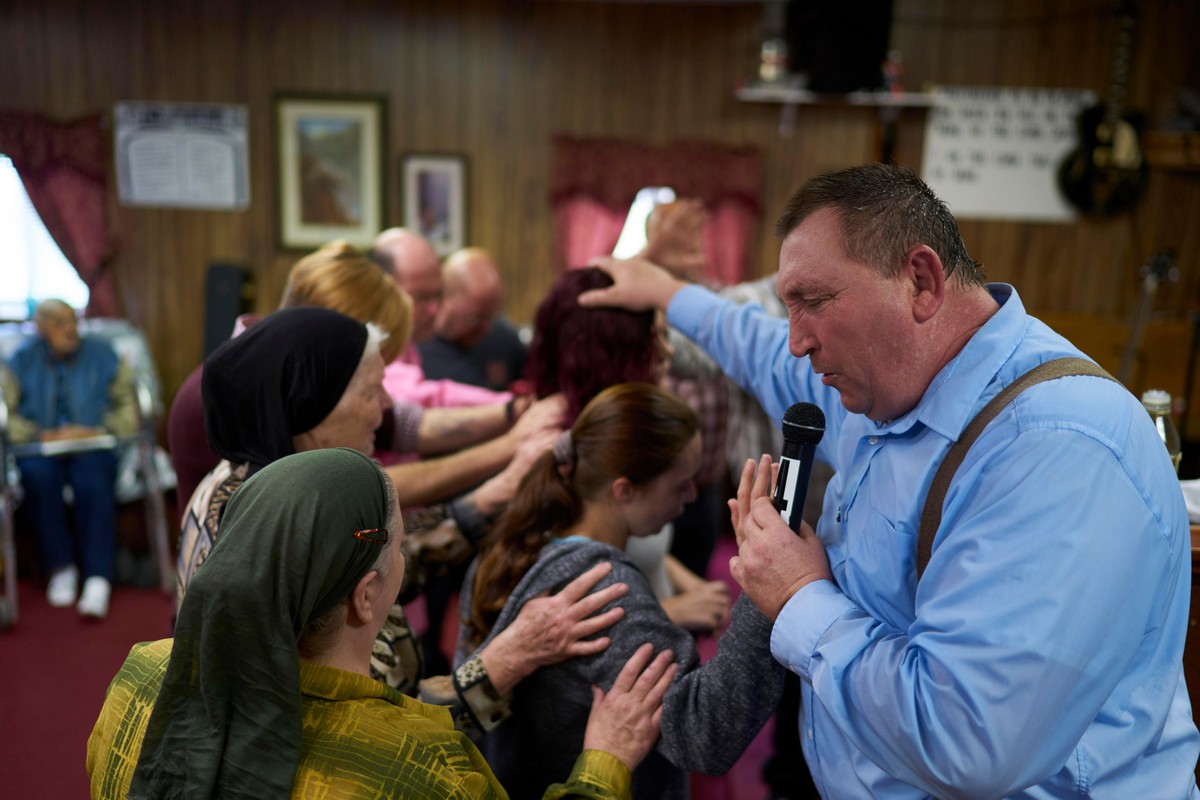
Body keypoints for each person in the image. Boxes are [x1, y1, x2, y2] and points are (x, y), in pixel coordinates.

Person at [581, 163, 1200, 798]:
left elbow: (968, 742)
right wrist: (665, 293)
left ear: (921, 282)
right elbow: (761, 349)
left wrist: (797, 595)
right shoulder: (888, 382)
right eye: (790, 307)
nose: (797, 343)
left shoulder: (1055, 449)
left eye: (814, 302)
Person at [89, 447, 678, 799]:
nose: (405, 558)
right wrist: (605, 761)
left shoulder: (138, 678)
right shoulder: (422, 767)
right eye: (399, 546)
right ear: (366, 596)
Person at [177, 306, 598, 708]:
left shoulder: (245, 482)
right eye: (370, 390)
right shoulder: (273, 544)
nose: (387, 405)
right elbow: (373, 729)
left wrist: (487, 498)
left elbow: (372, 565)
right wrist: (506, 660)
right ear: (310, 407)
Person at [459, 383, 784, 800]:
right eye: (680, 484)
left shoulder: (511, 542)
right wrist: (765, 588)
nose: (689, 498)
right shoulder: (605, 589)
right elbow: (705, 734)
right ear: (624, 490)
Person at [526, 268, 730, 633]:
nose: (667, 351)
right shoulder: (567, 451)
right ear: (612, 353)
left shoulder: (620, 436)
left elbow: (637, 542)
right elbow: (556, 619)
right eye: (655, 338)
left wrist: (685, 580)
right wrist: (672, 610)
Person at [2, 299, 137, 618]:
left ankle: (97, 577)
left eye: (72, 321)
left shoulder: (104, 355)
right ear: (40, 328)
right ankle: (61, 566)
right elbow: (7, 415)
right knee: (37, 478)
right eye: (59, 323)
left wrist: (96, 430)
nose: (70, 329)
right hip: (42, 447)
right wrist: (38, 434)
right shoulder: (20, 361)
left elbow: (129, 410)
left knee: (92, 480)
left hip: (92, 443)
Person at [372, 227, 512, 409]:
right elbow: (418, 398)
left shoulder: (407, 341)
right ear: (381, 290)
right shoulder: (367, 342)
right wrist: (508, 406)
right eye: (420, 297)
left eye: (438, 295)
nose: (434, 309)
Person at [419, 247, 528, 393]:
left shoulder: (503, 336)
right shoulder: (417, 345)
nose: (486, 327)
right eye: (476, 318)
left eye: (492, 316)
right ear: (445, 298)